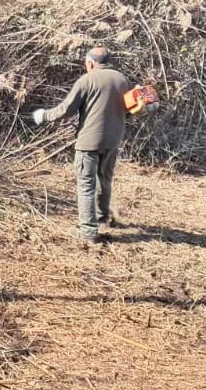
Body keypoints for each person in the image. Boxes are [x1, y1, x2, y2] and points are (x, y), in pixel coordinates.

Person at [31, 45, 135, 243]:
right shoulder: (123, 80)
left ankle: (88, 231)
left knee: (86, 184)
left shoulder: (87, 80)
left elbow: (66, 109)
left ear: (90, 62)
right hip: (113, 139)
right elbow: (129, 110)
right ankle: (103, 218)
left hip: (89, 141)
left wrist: (44, 115)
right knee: (104, 179)